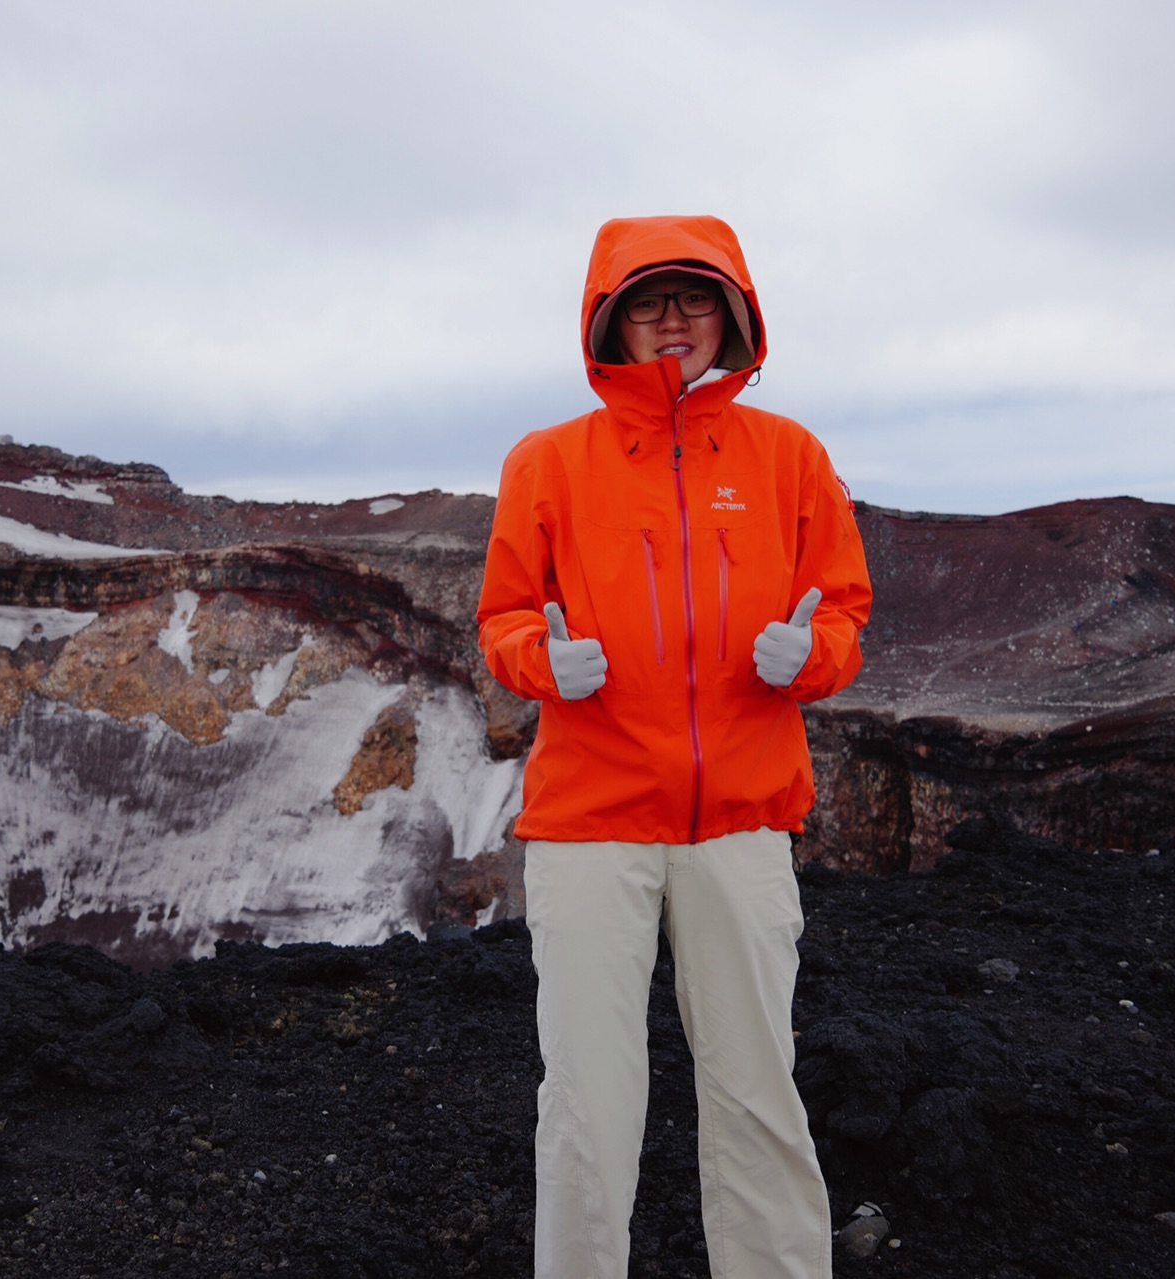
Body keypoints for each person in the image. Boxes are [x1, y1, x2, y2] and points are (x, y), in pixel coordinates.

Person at [476, 215, 872, 1279]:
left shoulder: (789, 457)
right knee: (589, 1108)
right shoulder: (550, 461)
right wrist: (542, 661)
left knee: (759, 1094)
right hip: (592, 825)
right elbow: (505, 617)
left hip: (743, 822)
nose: (672, 323)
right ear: (608, 320)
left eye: (695, 300)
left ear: (733, 317)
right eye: (647, 302)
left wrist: (813, 657)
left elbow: (842, 614)